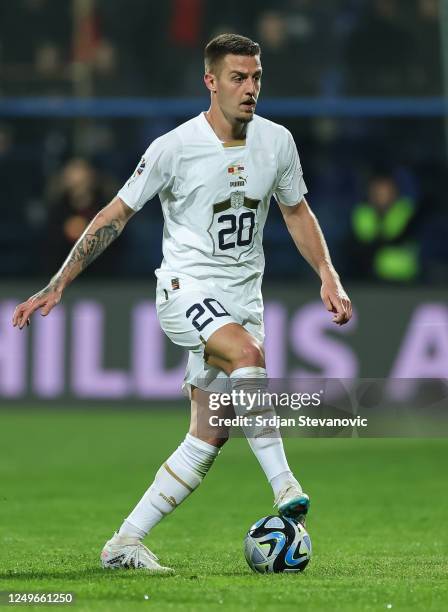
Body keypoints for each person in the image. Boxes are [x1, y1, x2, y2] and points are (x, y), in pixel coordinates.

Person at [12, 34, 352, 573]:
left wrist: (327, 275)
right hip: (185, 290)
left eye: (257, 77)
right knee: (247, 357)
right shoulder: (173, 147)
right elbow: (114, 215)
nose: (250, 89)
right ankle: (285, 485)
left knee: (209, 431)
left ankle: (123, 543)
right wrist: (59, 282)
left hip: (245, 298)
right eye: (238, 78)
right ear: (210, 82)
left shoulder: (277, 142)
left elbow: (296, 212)